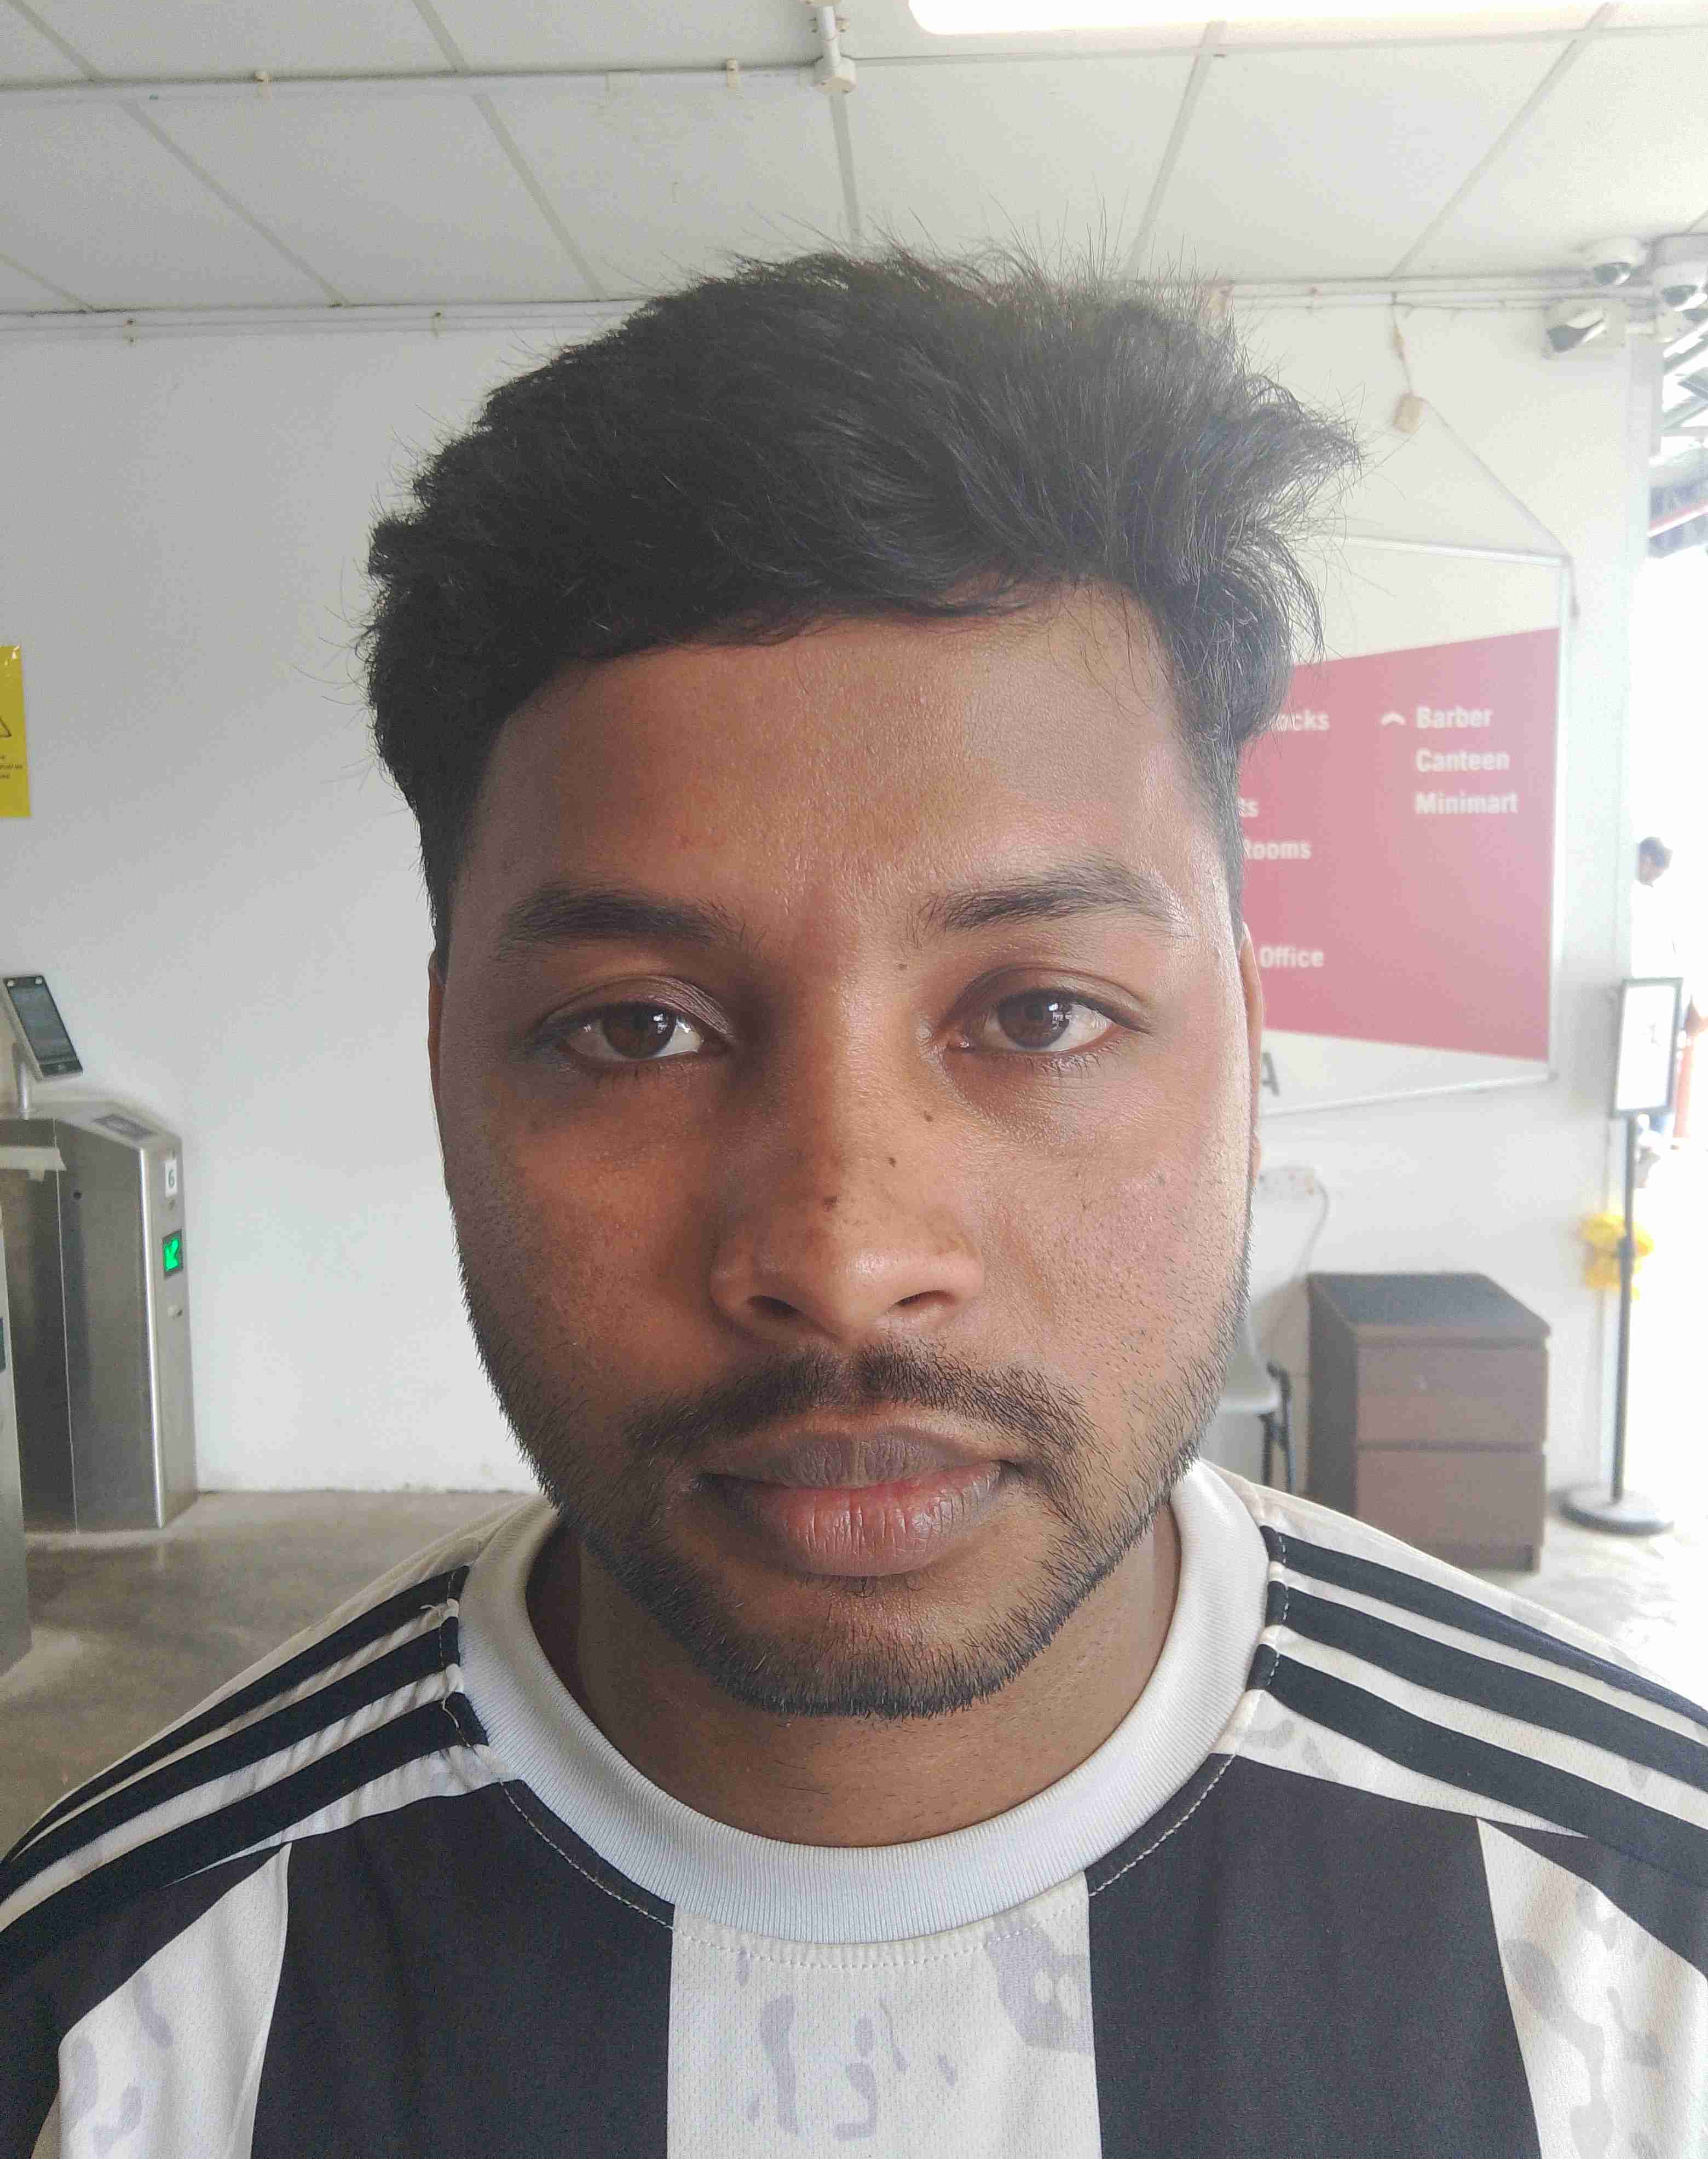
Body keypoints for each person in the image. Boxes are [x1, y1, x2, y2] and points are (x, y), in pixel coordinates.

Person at [4, 250, 1704, 2155]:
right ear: (444, 1055)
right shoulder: (103, 2030)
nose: (841, 1260)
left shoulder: (1649, 1960)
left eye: (1040, 1013)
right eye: (635, 1028)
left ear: (1244, 1024)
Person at [1631, 836, 1703, 1175]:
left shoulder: (1635, 896)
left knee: (1634, 1075)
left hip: (1647, 997)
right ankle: (1654, 1144)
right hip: (1672, 996)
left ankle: (1644, 1142)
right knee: (1662, 1078)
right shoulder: (1665, 900)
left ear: (1645, 860)